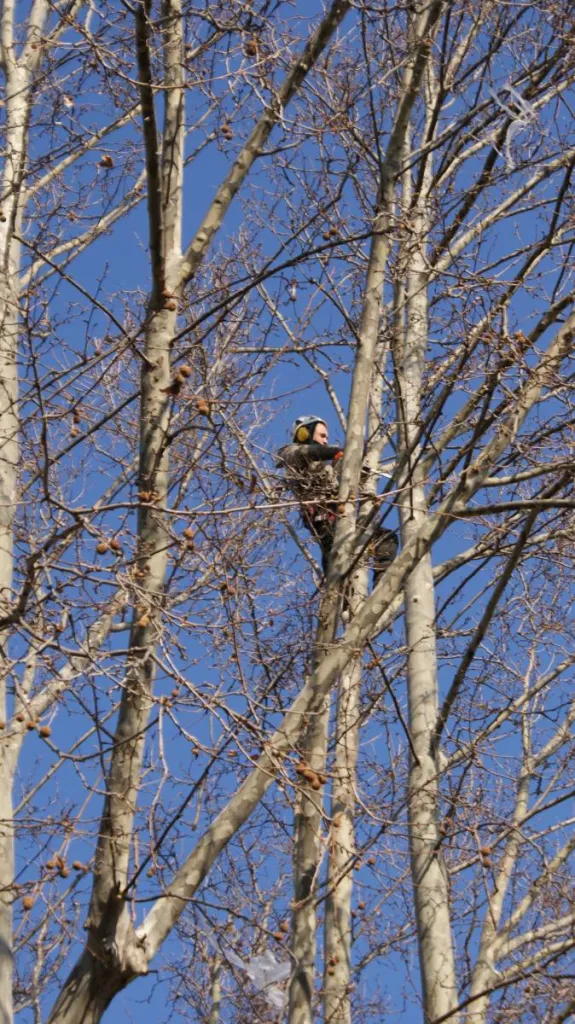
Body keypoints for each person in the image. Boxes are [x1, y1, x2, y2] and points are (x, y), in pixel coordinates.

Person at [277, 415, 397, 583]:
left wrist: (357, 468)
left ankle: (382, 582)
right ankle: (338, 597)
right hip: (323, 519)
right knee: (337, 561)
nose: (325, 440)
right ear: (305, 434)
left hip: (343, 518)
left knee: (386, 537)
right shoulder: (291, 453)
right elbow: (312, 452)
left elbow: (346, 479)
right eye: (322, 436)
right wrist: (341, 453)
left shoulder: (329, 467)